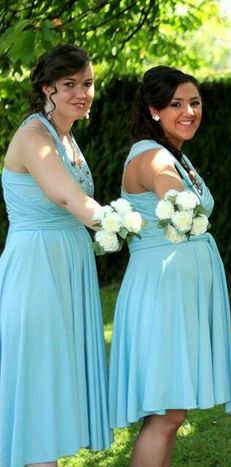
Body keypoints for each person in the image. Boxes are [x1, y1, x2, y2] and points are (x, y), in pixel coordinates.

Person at [108, 66, 231, 465]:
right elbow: (170, 191)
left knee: (172, 412)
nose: (189, 112)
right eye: (176, 104)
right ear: (154, 109)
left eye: (194, 103)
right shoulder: (153, 157)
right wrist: (177, 198)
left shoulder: (173, 153)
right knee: (166, 412)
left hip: (178, 288)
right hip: (163, 289)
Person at [0, 44, 111, 466]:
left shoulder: (66, 136)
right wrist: (122, 225)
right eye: (70, 85)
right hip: (37, 266)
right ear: (48, 88)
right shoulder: (34, 136)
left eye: (88, 83)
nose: (82, 93)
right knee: (38, 377)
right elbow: (68, 197)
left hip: (68, 264)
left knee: (58, 376)